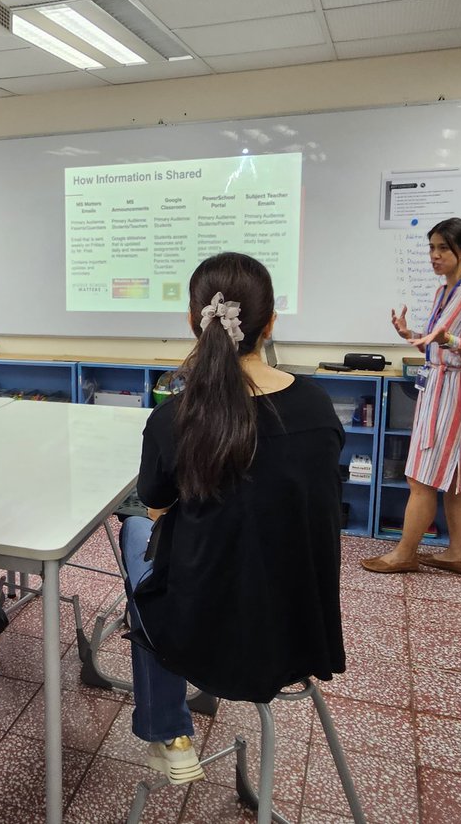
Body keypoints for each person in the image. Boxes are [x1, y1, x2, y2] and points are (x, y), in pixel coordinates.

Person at [120, 252, 346, 784]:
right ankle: (168, 725)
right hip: (299, 629)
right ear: (270, 325)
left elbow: (157, 508)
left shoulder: (175, 417)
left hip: (207, 635)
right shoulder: (316, 407)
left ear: (192, 322)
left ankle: (169, 731)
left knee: (135, 533)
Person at [361, 217, 461, 576]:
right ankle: (457, 554)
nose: (434, 256)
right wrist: (414, 333)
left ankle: (405, 553)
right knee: (454, 479)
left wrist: (447, 340)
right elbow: (439, 338)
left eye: (443, 248)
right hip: (438, 385)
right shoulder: (444, 291)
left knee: (421, 478)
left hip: (456, 390)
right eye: (431, 248)